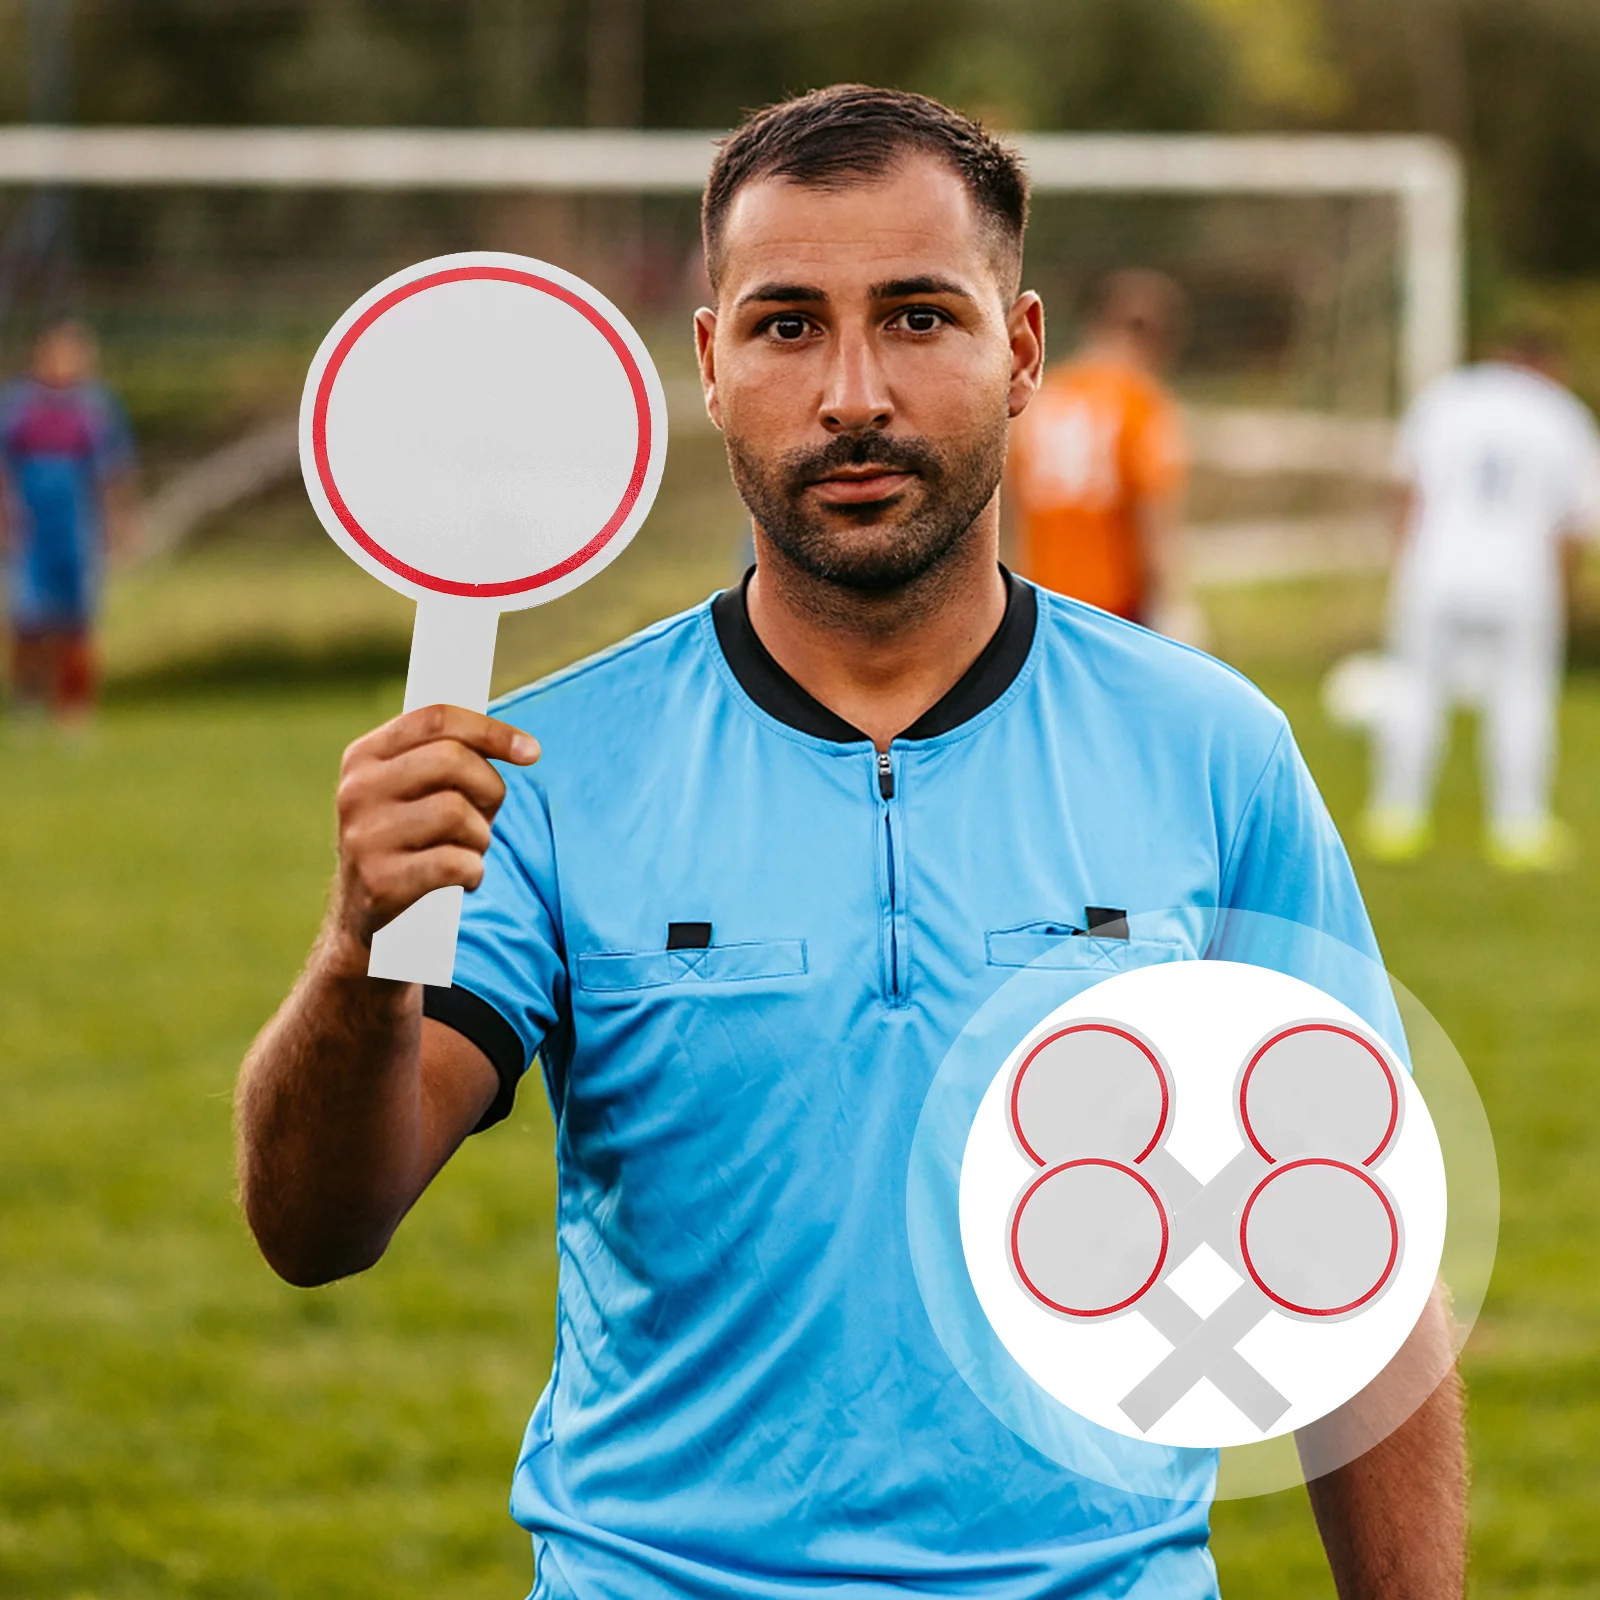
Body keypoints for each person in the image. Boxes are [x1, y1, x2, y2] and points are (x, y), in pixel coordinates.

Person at [235, 86, 1464, 1598]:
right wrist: (362, 946)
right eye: (788, 326)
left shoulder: (1210, 751)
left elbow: (1350, 1258)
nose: (854, 394)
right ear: (709, 362)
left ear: (1021, 351)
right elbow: (315, 1228)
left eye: (919, 318)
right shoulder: (547, 770)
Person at [1362, 328, 1600, 869]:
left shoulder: (1449, 396)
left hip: (1434, 569)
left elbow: (1406, 489)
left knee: (1416, 688)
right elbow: (1575, 525)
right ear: (1548, 364)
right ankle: (1519, 827)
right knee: (1522, 697)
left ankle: (1396, 815)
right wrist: (1565, 592)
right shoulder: (1563, 415)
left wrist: (1404, 563)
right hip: (1522, 576)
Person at [1006, 267, 1201, 641]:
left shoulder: (1044, 397)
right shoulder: (1141, 402)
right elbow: (1153, 517)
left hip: (1040, 598)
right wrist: (1170, 604)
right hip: (1113, 607)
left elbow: (1011, 509)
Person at [0, 319, 138, 724]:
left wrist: (122, 523)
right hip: (30, 528)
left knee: (78, 622)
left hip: (78, 528)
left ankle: (74, 708)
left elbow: (114, 473)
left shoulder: (95, 408)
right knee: (27, 621)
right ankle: (26, 704)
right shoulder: (19, 407)